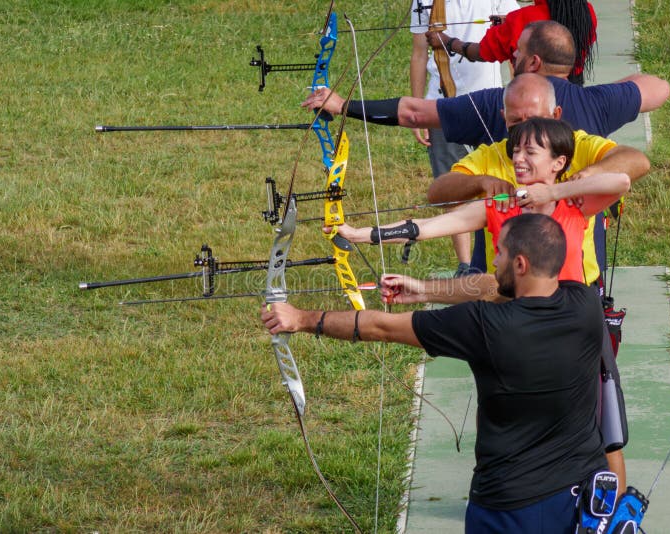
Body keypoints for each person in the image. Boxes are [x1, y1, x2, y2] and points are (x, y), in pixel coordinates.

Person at [261, 213, 610, 533]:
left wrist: (302, 319)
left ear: (520, 264)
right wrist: (425, 290)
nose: (493, 261)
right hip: (582, 498)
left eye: (500, 254)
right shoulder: (584, 304)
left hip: (510, 508)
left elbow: (381, 326)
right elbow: (498, 287)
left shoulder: (486, 327)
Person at [301, 20, 670, 148]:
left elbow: (414, 113)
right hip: (580, 272)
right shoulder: (598, 105)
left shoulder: (501, 106)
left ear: (534, 62)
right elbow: (659, 87)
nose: (511, 57)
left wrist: (342, 104)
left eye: (517, 52)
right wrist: (607, 94)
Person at [426, 72, 650, 276]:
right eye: (515, 122)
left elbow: (637, 162)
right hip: (508, 291)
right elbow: (437, 194)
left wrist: (589, 174)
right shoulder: (489, 155)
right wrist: (481, 182)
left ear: (556, 114)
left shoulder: (578, 144)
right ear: (504, 117)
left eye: (534, 120)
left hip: (574, 288)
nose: (525, 130)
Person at [411, 0, 519, 277]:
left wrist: (518, 98)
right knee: (451, 186)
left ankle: (504, 252)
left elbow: (513, 46)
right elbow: (420, 53)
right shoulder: (426, 2)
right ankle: (465, 265)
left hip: (491, 104)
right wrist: (416, 108)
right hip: (443, 107)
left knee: (501, 182)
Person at [428, 0, 597, 85]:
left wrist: (448, 42)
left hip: (534, 104)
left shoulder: (522, 20)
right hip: (575, 94)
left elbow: (481, 52)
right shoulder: (587, 13)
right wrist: (508, 23)